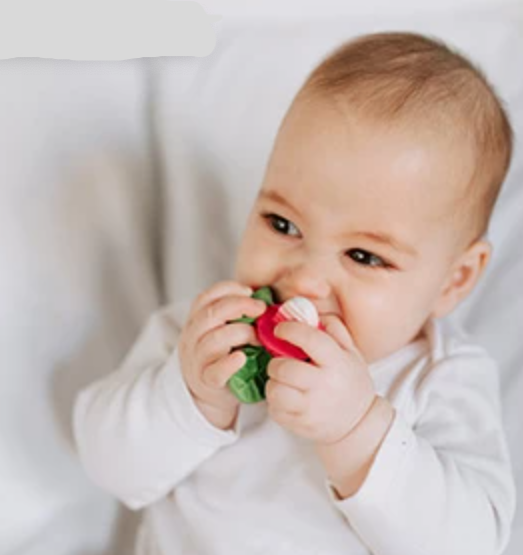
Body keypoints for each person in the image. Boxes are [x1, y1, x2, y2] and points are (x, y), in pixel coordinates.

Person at [73, 32, 516, 555]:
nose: (304, 280)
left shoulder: (442, 380)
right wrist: (190, 398)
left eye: (364, 256)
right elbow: (108, 467)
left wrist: (356, 433)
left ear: (454, 280)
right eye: (282, 223)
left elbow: (471, 543)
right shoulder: (203, 338)